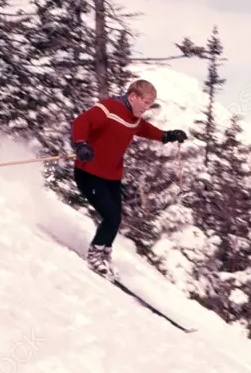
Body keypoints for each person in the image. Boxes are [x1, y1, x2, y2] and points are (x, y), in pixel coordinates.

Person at [70, 78, 188, 278]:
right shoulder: (108, 108)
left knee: (116, 217)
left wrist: (167, 136)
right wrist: (81, 144)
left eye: (150, 105)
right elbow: (82, 122)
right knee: (111, 217)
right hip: (89, 173)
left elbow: (143, 128)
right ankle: (94, 254)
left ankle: (105, 251)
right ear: (133, 96)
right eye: (145, 103)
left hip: (111, 176)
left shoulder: (134, 117)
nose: (147, 108)